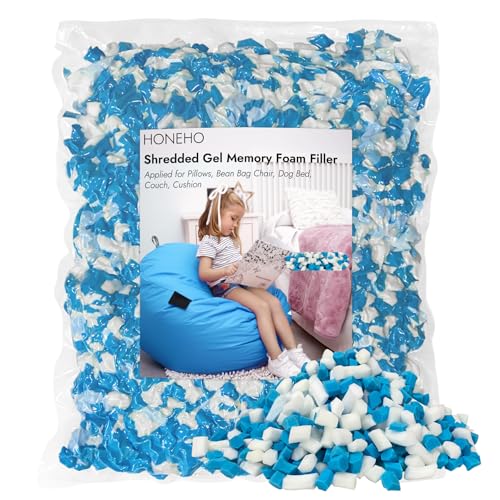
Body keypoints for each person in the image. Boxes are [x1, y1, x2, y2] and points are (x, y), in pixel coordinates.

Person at [196, 184, 311, 377]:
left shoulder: (229, 240)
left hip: (241, 281)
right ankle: (276, 359)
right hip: (225, 287)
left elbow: (236, 264)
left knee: (274, 303)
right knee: (262, 307)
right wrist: (225, 270)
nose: (235, 225)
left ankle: (294, 352)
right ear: (216, 214)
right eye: (233, 218)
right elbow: (204, 273)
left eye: (238, 220)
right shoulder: (209, 241)